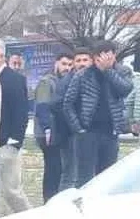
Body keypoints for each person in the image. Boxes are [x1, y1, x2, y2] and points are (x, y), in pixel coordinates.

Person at [62, 40, 132, 186]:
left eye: (109, 56)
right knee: (84, 178)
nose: (106, 59)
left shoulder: (122, 72)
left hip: (110, 132)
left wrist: (108, 71)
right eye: (102, 56)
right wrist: (78, 128)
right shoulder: (83, 75)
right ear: (95, 58)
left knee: (107, 178)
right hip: (87, 133)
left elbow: (125, 89)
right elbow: (68, 103)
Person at [0, 37, 31, 215]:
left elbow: (21, 113)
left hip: (6, 146)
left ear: (1, 56)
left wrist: (14, 143)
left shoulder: (14, 79)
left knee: (12, 192)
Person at [52, 47, 93, 190]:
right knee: (71, 175)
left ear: (91, 61)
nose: (82, 63)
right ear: (74, 63)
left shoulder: (95, 78)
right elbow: (57, 106)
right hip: (70, 136)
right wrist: (76, 125)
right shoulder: (67, 81)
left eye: (85, 60)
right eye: (78, 60)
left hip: (91, 134)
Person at [34, 52, 74, 201]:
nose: (67, 68)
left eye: (70, 65)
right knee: (53, 169)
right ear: (56, 63)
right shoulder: (47, 82)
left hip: (59, 132)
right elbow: (42, 106)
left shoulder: (65, 81)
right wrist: (47, 128)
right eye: (64, 64)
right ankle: (49, 200)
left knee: (59, 169)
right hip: (48, 133)